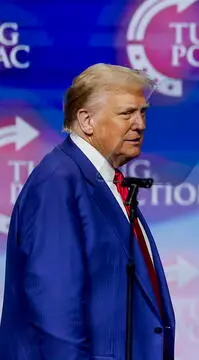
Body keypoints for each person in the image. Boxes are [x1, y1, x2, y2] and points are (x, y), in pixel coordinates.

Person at [0, 64, 175, 359]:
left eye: (142, 112)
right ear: (87, 120)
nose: (140, 124)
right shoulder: (59, 182)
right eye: (126, 113)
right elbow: (55, 311)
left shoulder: (100, 182)